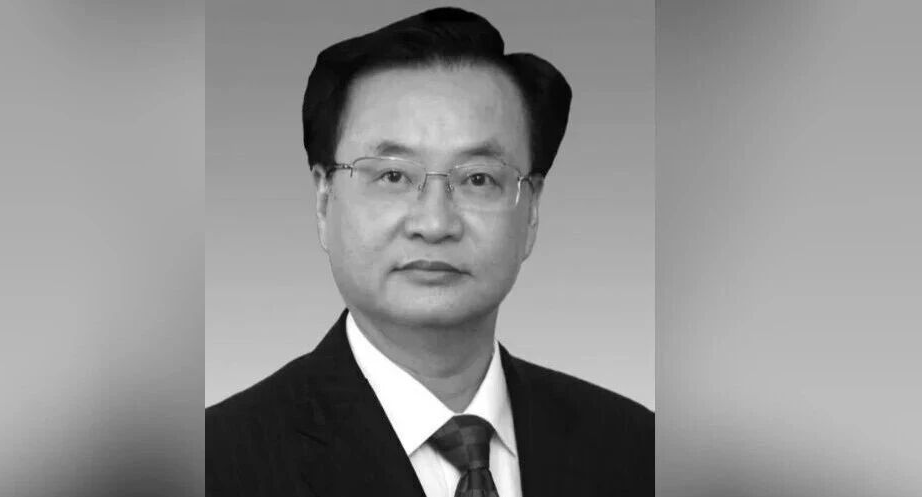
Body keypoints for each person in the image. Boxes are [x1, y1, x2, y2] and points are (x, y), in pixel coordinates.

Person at [206, 7, 653, 496]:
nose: (435, 224)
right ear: (323, 200)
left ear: (531, 210)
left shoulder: (638, 451)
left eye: (478, 179)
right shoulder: (216, 464)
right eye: (393, 175)